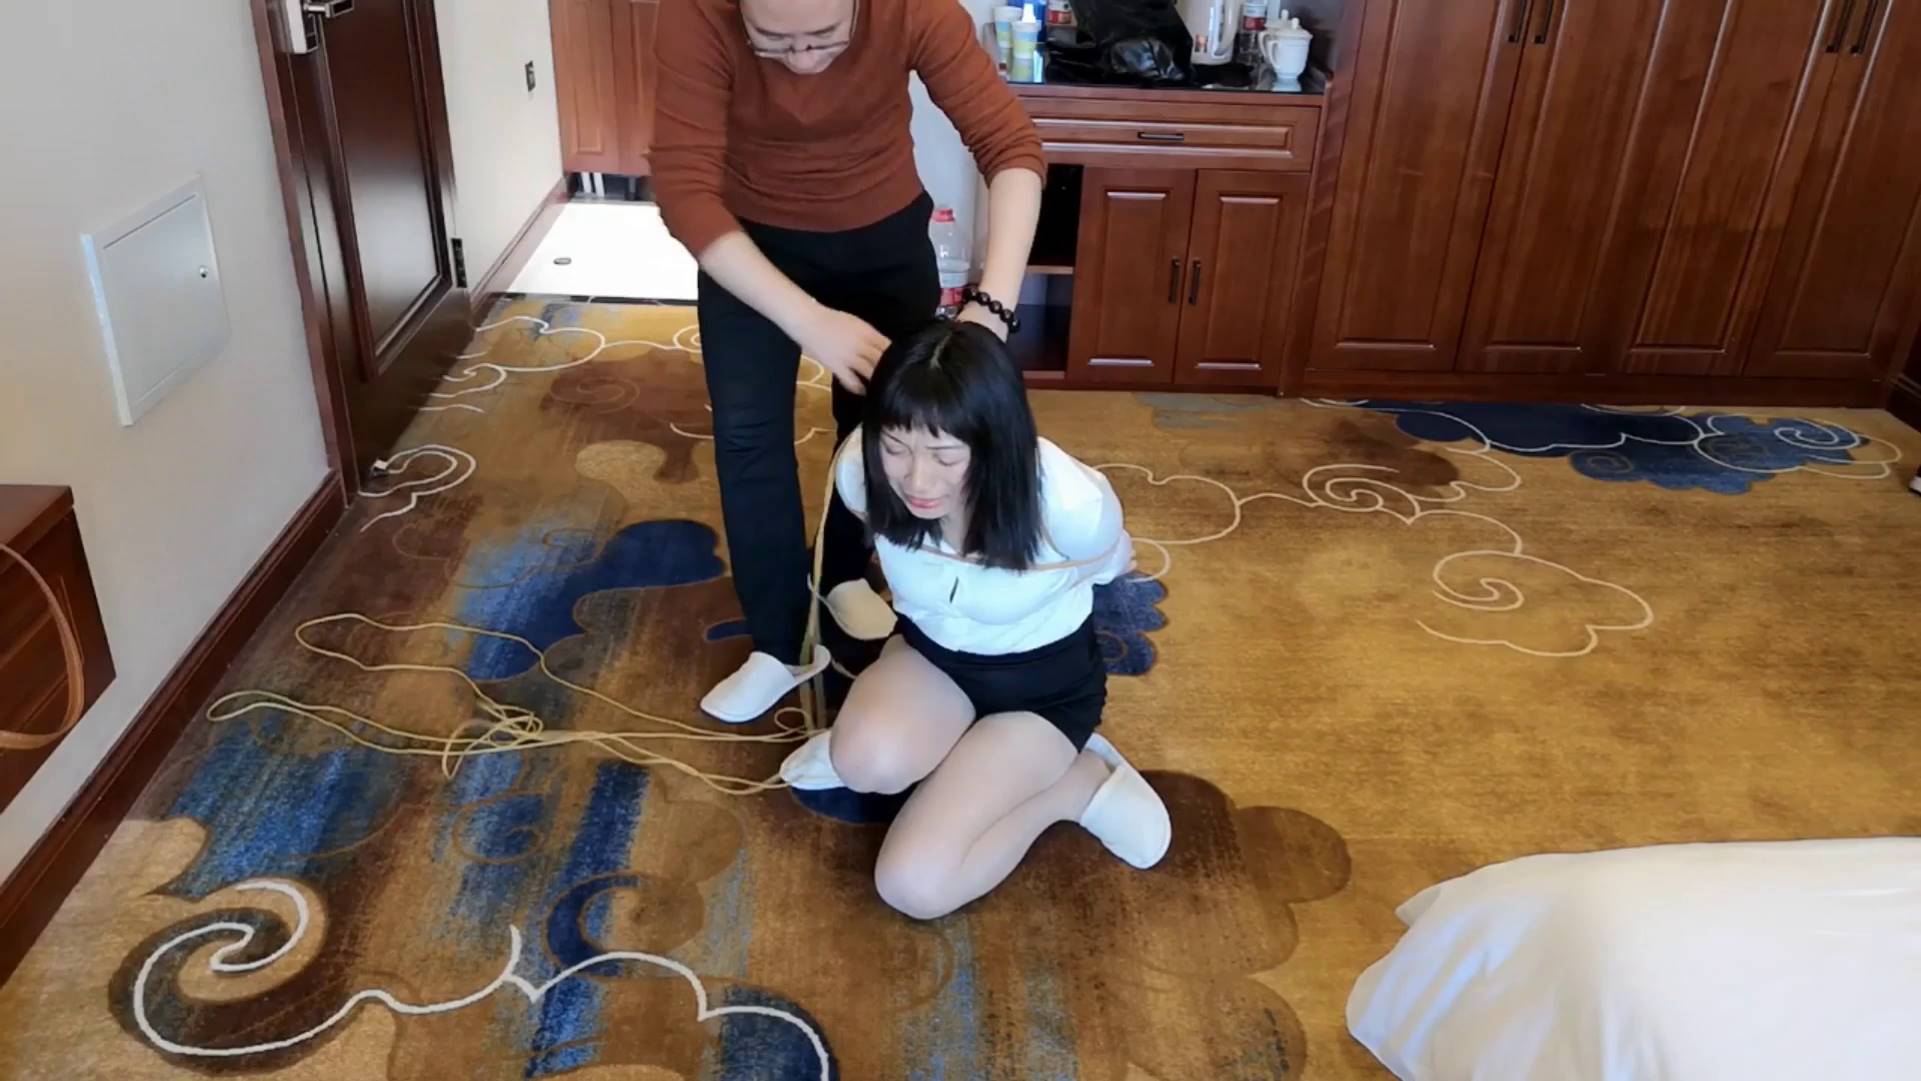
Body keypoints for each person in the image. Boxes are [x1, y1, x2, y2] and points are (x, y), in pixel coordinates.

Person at [650, 0, 1047, 721]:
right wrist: (809, 321)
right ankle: (779, 643)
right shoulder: (696, 14)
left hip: (882, 237)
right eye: (774, 42)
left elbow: (1010, 147)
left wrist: (991, 308)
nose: (803, 62)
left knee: (880, 428)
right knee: (746, 435)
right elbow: (684, 190)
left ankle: (841, 571)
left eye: (824, 38)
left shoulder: (914, 8)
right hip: (746, 241)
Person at [779, 321, 1173, 920]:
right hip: (931, 659)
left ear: (995, 441)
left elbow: (1113, 564)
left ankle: (1077, 782)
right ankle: (960, 748)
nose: (916, 481)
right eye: (896, 446)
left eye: (945, 455)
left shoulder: (1071, 506)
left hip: (1040, 695)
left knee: (913, 886)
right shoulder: (862, 470)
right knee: (863, 763)